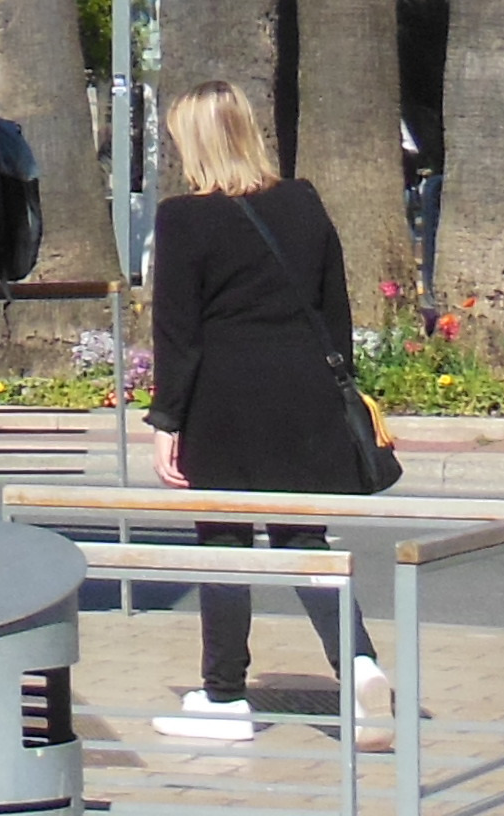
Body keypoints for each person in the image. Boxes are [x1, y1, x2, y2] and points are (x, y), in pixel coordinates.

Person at [145, 77, 390, 742]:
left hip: (223, 396)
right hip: (303, 390)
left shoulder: (183, 218)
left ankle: (224, 697)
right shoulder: (303, 203)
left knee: (223, 539)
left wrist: (167, 420)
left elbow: (178, 331)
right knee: (301, 536)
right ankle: (359, 661)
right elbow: (334, 308)